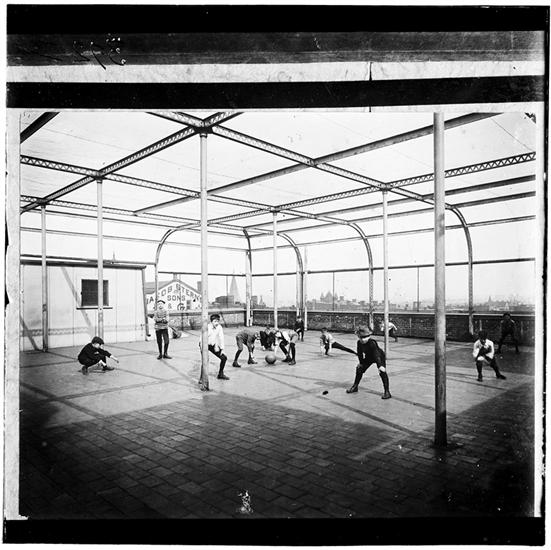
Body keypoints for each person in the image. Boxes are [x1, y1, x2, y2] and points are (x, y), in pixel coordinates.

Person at [346, 326, 391, 399]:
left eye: (365, 337)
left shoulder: (372, 342)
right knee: (359, 369)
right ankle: (355, 386)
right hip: (369, 357)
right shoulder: (359, 343)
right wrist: (361, 363)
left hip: (379, 357)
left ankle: (387, 392)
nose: (362, 339)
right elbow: (360, 354)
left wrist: (380, 365)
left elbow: (376, 354)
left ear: (369, 336)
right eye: (360, 337)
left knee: (382, 371)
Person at [200, 313, 229, 380]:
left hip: (212, 344)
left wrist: (222, 349)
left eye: (218, 321)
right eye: (215, 321)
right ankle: (201, 378)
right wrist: (203, 351)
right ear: (211, 322)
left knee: (224, 358)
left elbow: (221, 338)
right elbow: (201, 340)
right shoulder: (207, 327)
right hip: (203, 344)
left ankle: (220, 374)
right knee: (205, 360)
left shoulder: (219, 327)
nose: (217, 323)